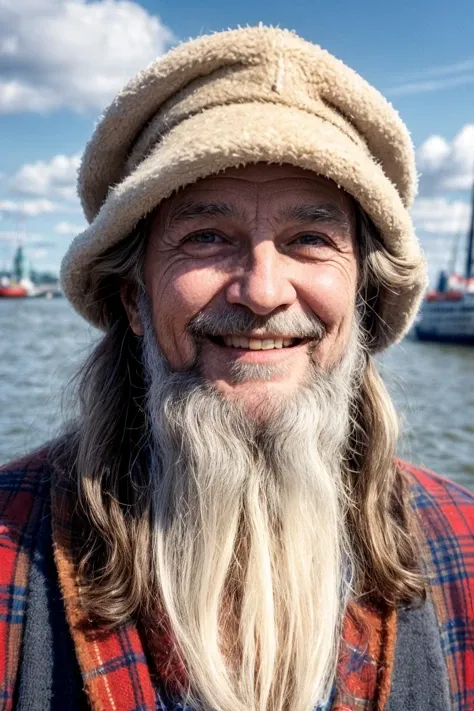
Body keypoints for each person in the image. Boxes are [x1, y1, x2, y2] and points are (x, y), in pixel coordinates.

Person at [1, 26, 473, 711]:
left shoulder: (463, 545)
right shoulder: (12, 553)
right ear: (135, 296)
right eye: (206, 238)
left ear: (362, 295)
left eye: (309, 239)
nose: (261, 289)